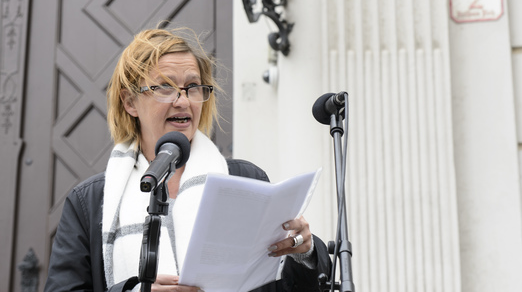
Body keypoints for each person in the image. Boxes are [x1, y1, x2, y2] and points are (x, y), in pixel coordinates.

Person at [44, 28, 331, 292]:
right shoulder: (89, 202)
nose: (183, 101)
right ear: (130, 102)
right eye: (165, 87)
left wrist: (304, 253)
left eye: (193, 87)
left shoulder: (245, 180)